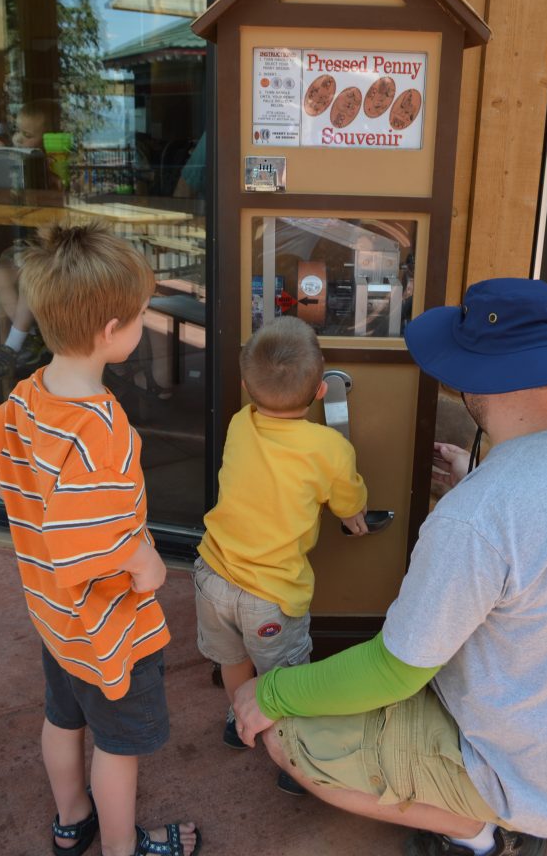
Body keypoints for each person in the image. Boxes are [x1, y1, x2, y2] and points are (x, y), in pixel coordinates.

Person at [232, 278, 547, 856]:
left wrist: (271, 692)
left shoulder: (476, 517)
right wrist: (474, 479)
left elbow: (393, 671)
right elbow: (539, 538)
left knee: (288, 735)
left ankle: (478, 835)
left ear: (477, 371)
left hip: (514, 775)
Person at [0, 221, 201, 856]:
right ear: (112, 333)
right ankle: (122, 847)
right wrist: (148, 567)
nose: (140, 326)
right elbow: (94, 535)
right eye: (138, 317)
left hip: (53, 615)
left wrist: (26, 505)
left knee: (61, 717)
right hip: (109, 629)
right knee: (118, 745)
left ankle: (71, 821)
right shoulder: (102, 428)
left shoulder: (26, 396)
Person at [193, 316, 368, 794]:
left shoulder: (239, 424)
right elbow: (348, 499)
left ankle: (239, 718)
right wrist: (355, 515)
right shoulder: (329, 448)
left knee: (233, 659)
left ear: (247, 386)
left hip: (212, 575)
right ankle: (295, 750)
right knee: (287, 674)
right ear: (320, 392)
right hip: (269, 595)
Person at [0, 99, 61, 380]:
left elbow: (56, 207)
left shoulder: (52, 166)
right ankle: (30, 336)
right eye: (17, 131)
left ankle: (13, 343)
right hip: (28, 245)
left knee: (30, 275)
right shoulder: (19, 164)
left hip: (53, 250)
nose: (18, 138)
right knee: (0, 274)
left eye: (27, 135)